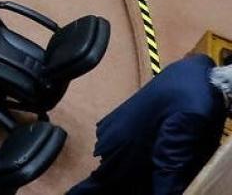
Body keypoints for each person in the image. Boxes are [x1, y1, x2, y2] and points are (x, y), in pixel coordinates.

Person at [67, 54, 231, 195]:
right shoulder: (197, 112)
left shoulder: (201, 62)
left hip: (132, 125)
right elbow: (168, 165)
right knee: (103, 187)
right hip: (133, 154)